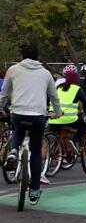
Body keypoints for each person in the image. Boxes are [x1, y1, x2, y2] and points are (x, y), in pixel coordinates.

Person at [0, 45, 62, 203]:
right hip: (38, 116)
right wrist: (58, 112)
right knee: (35, 151)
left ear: (22, 56)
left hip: (18, 112)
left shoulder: (13, 70)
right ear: (37, 57)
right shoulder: (45, 73)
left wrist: (1, 108)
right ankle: (34, 190)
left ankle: (13, 151)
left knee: (18, 130)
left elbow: (5, 93)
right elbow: (54, 96)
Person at [48, 67, 86, 156]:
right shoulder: (76, 89)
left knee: (56, 131)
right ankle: (73, 140)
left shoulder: (58, 88)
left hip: (53, 119)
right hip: (69, 119)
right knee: (83, 127)